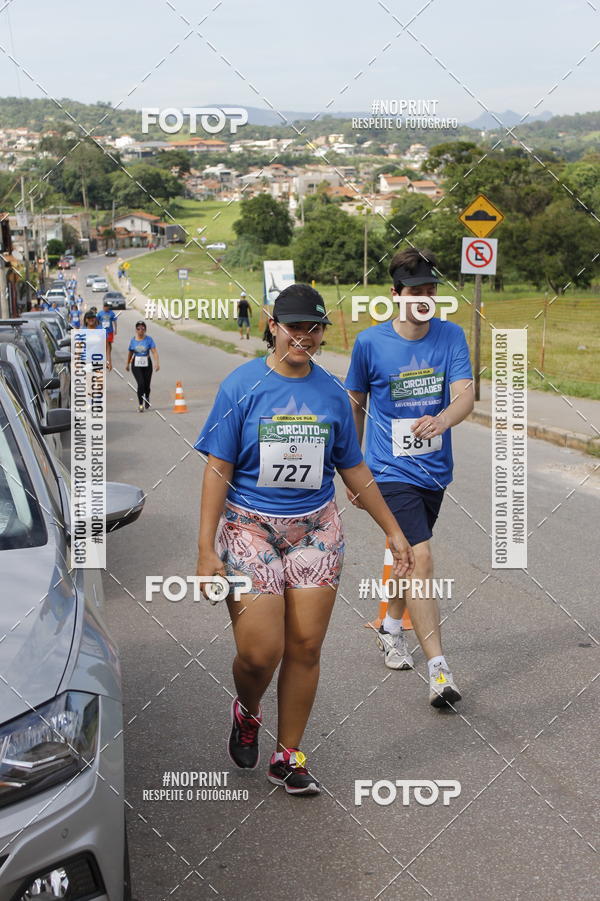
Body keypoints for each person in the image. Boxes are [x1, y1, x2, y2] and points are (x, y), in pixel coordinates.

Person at [194, 283, 414, 795]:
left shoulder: (334, 394)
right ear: (273, 325)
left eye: (314, 327)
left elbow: (353, 467)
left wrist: (393, 529)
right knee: (259, 653)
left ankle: (288, 756)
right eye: (294, 326)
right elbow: (217, 468)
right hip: (250, 527)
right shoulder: (241, 385)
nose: (304, 336)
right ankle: (248, 710)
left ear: (322, 332)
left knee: (306, 646)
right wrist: (206, 549)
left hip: (316, 528)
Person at [345, 248, 474, 709]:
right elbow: (355, 405)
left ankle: (390, 628)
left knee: (406, 559)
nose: (424, 299)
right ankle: (440, 670)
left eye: (431, 291)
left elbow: (465, 397)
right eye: (415, 292)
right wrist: (353, 469)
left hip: (434, 470)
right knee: (421, 557)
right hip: (387, 470)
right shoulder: (369, 343)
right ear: (395, 295)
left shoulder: (451, 336)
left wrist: (442, 420)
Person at [125, 321, 159, 412]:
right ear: (136, 330)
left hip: (147, 364)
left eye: (143, 329)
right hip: (136, 364)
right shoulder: (133, 340)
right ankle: (140, 404)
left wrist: (157, 362)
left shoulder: (149, 339)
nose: (141, 330)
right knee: (141, 384)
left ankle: (147, 397)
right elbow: (130, 352)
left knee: (147, 385)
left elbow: (154, 352)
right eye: (138, 329)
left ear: (145, 330)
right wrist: (127, 364)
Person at [96, 300, 117, 370]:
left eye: (107, 307)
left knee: (109, 344)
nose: (105, 308)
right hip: (102, 331)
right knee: (104, 345)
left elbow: (114, 321)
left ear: (108, 307)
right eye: (104, 307)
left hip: (110, 331)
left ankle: (108, 355)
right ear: (103, 307)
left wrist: (115, 329)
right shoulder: (100, 313)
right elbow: (97, 321)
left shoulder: (111, 313)